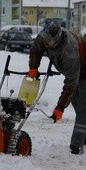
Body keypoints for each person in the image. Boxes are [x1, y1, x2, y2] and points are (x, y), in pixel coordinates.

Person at [28, 20, 86, 155]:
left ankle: (76, 145)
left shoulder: (69, 51)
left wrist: (60, 108)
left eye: (49, 42)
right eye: (45, 40)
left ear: (57, 40)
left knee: (83, 108)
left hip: (84, 73)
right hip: (73, 73)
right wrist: (33, 67)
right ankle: (83, 137)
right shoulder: (44, 36)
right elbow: (35, 48)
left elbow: (71, 83)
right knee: (78, 106)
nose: (46, 43)